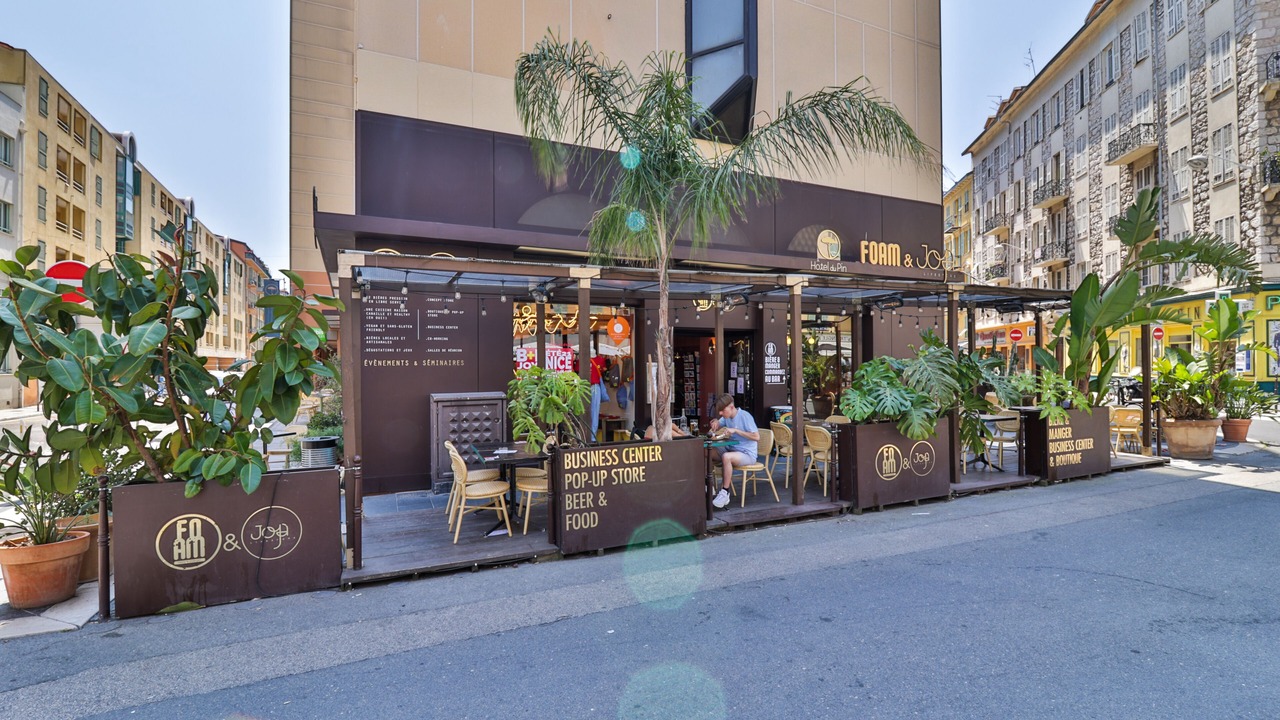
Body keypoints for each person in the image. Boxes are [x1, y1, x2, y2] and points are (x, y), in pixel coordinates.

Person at [707, 393, 759, 509]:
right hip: (731, 449)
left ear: (731, 407)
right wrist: (715, 422)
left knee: (726, 456)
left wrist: (736, 430)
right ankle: (709, 486)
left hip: (747, 454)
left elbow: (756, 437)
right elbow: (717, 426)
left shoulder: (745, 416)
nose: (720, 413)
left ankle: (725, 492)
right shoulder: (727, 417)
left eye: (722, 411)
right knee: (707, 451)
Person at [587, 351, 610, 442]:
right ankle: (590, 436)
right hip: (588, 386)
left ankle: (592, 437)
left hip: (594, 386)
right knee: (591, 411)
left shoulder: (600, 360)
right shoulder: (583, 359)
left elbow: (604, 369)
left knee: (594, 411)